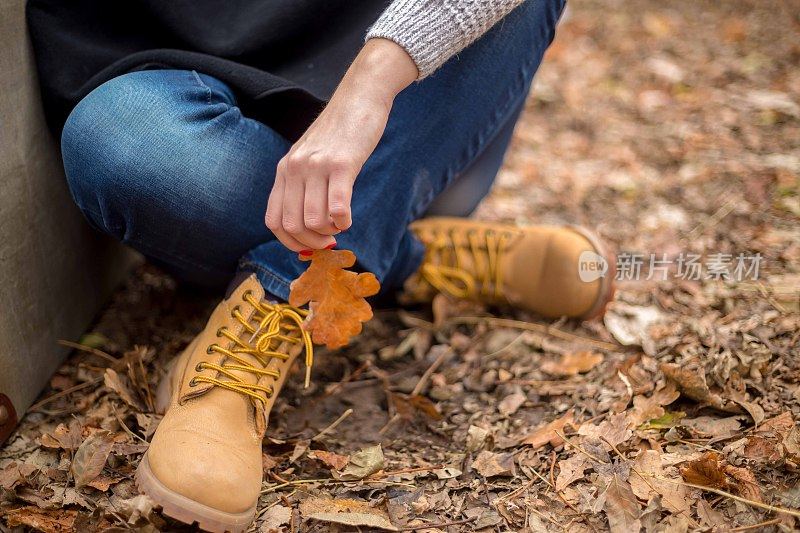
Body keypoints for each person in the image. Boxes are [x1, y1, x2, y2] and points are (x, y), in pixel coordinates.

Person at [27, 0, 613, 531]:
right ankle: (415, 255)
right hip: (180, 90)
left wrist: (371, 87)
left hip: (405, 116)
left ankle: (274, 299)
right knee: (126, 142)